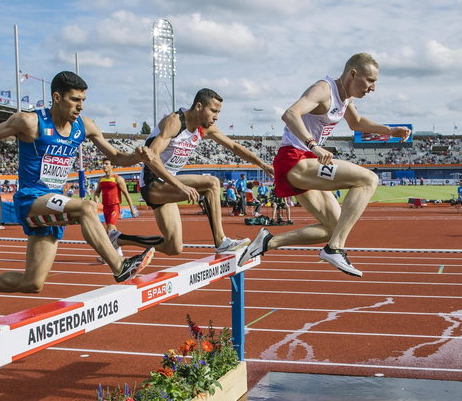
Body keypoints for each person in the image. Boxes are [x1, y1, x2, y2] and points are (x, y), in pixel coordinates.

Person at [0, 71, 157, 312]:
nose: (80, 106)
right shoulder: (30, 122)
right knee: (86, 207)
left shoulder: (84, 127)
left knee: (32, 282)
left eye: (83, 100)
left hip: (53, 205)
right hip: (31, 199)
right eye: (75, 100)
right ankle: (119, 266)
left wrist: (136, 157)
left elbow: (116, 156)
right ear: (56, 97)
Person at [239, 53, 411, 276]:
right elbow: (290, 114)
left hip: (307, 163)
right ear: (352, 74)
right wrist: (314, 145)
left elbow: (356, 123)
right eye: (370, 80)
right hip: (295, 159)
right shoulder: (324, 89)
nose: (373, 88)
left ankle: (268, 242)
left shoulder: (345, 98)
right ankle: (335, 249)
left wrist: (390, 131)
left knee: (334, 227)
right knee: (369, 179)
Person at [114, 88, 274, 257]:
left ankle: (118, 239)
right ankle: (221, 242)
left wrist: (263, 165)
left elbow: (234, 146)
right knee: (212, 183)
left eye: (218, 112)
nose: (216, 116)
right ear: (199, 106)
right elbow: (151, 158)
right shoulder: (175, 122)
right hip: (153, 183)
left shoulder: (205, 128)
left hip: (169, 184)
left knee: (173, 247)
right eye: (213, 111)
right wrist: (180, 186)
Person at [93, 159, 138, 253]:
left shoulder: (118, 178)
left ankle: (108, 254)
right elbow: (97, 192)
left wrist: (132, 209)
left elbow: (126, 194)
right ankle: (118, 252)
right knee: (111, 231)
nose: (104, 166)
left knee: (110, 228)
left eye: (106, 164)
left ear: (112, 166)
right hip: (105, 207)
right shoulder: (101, 179)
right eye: (103, 164)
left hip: (114, 206)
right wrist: (96, 201)